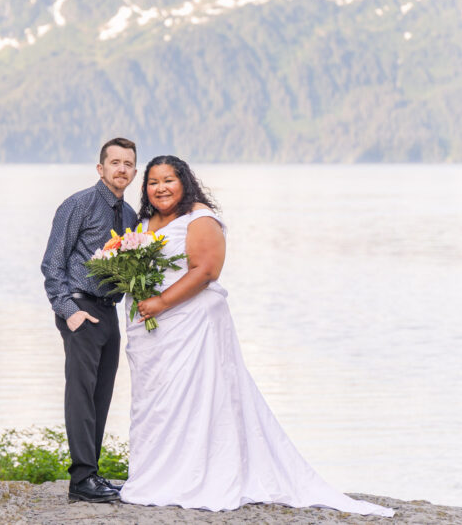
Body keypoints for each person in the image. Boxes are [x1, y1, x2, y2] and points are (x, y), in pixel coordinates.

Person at [118, 155, 394, 517]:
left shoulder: (199, 218)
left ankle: (197, 474)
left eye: (168, 180)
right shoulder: (145, 221)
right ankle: (158, 474)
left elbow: (206, 271)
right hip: (154, 331)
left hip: (191, 325)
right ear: (145, 188)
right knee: (159, 403)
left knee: (198, 397)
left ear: (183, 181)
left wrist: (162, 303)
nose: (161, 188)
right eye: (153, 182)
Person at [41, 137, 139, 503]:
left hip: (108, 312)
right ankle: (81, 479)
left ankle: (92, 475)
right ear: (101, 168)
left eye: (128, 164)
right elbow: (52, 263)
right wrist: (69, 312)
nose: (121, 169)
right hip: (80, 310)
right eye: (115, 162)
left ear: (134, 170)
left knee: (101, 395)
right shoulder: (77, 205)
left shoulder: (129, 218)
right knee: (80, 394)